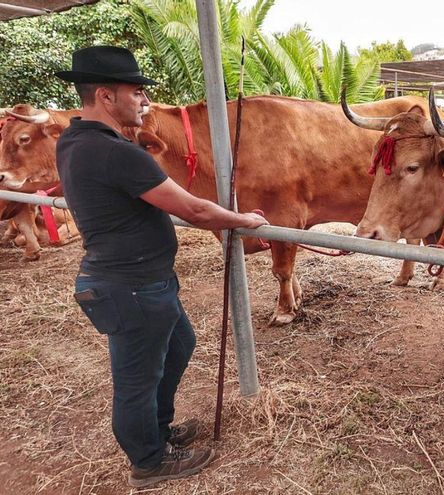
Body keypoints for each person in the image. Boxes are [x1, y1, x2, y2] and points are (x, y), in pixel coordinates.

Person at [55, 46, 268, 488]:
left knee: (179, 346)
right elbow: (196, 211)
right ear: (106, 96)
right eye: (136, 92)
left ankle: (158, 430)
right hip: (131, 287)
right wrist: (244, 219)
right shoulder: (117, 153)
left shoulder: (75, 141)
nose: (145, 101)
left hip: (138, 282)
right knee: (136, 378)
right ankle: (149, 460)